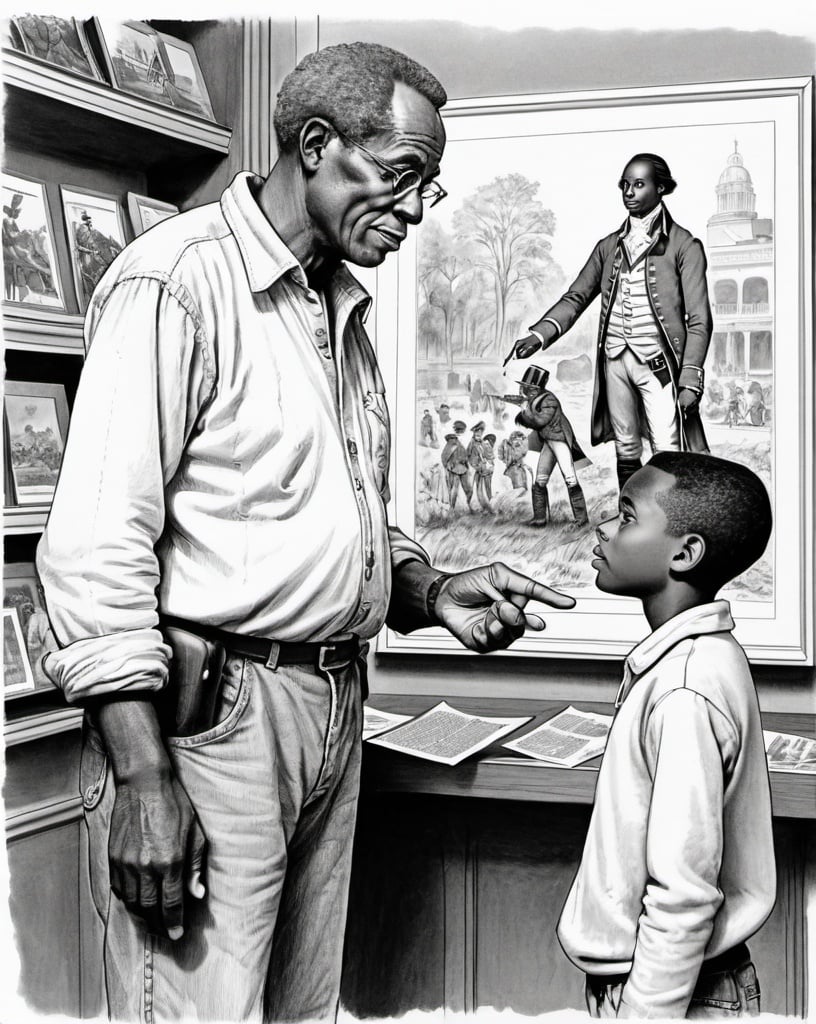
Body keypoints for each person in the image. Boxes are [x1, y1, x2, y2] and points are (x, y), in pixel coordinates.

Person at [36, 42, 575, 1024]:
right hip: (213, 725)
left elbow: (317, 509)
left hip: (331, 704)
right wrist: (146, 777)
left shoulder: (338, 304)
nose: (416, 212)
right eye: (402, 178)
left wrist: (424, 584)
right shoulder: (176, 281)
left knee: (301, 1012)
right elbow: (92, 546)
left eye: (430, 187)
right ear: (318, 146)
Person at [558, 451, 775, 1018]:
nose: (604, 527)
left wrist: (644, 1011)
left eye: (627, 516)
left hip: (673, 994)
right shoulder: (699, 659)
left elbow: (684, 893)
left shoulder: (684, 686)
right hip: (681, 984)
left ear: (685, 553)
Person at [512, 153, 712, 493]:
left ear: (661, 188)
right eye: (625, 185)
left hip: (658, 364)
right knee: (627, 446)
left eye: (638, 184)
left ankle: (668, 523)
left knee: (667, 446)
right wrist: (540, 333)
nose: (629, 192)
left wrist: (690, 377)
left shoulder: (685, 246)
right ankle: (629, 515)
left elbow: (699, 320)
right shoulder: (608, 247)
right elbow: (577, 296)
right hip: (614, 362)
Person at [504, 365, 589, 527]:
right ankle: (540, 518)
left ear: (537, 388)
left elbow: (539, 422)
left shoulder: (549, 400)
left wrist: (524, 408)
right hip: (548, 442)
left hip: (559, 441)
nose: (526, 390)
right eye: (526, 387)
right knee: (540, 481)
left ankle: (582, 520)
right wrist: (524, 407)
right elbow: (530, 421)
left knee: (571, 480)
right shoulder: (534, 400)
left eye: (530, 387)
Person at [440, 429, 471, 512]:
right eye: (453, 438)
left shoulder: (460, 446)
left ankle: (468, 505)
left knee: (468, 489)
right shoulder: (449, 447)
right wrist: (449, 466)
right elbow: (444, 459)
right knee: (454, 490)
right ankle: (452, 508)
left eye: (455, 438)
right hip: (453, 470)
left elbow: (465, 457)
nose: (454, 440)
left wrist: (465, 463)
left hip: (463, 469)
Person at [466, 420, 494, 512]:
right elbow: (468, 456)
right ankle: (475, 507)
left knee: (483, 489)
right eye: (477, 432)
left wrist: (488, 461)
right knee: (475, 489)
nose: (479, 434)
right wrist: (475, 465)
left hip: (483, 469)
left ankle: (487, 506)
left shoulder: (482, 442)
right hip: (475, 469)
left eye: (481, 432)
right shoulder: (471, 443)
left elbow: (487, 454)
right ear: (474, 433)